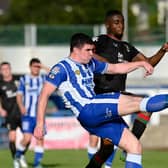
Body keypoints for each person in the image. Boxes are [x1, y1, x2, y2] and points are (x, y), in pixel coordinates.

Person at [34, 33, 168, 168]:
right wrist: (40, 124)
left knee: (134, 146)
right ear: (75, 50)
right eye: (88, 50)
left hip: (93, 116)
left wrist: (141, 63)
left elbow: (115, 68)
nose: (91, 53)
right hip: (88, 108)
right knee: (140, 102)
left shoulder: (90, 63)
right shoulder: (61, 68)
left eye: (92, 50)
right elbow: (44, 95)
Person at [87, 9, 168, 168]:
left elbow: (148, 63)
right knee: (107, 148)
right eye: (116, 22)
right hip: (101, 98)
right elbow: (86, 53)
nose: (121, 26)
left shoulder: (127, 48)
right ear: (107, 25)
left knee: (146, 106)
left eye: (122, 22)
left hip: (118, 97)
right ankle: (128, 148)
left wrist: (163, 50)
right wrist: (108, 65)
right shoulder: (99, 41)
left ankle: (128, 148)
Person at [15, 58, 49, 168]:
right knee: (27, 139)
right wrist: (21, 106)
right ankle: (17, 156)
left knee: (40, 139)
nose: (36, 68)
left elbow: (55, 74)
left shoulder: (43, 78)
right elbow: (19, 95)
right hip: (28, 115)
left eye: (38, 66)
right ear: (30, 67)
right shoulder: (24, 79)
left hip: (40, 116)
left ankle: (37, 164)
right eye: (34, 66)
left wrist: (43, 66)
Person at [0, 62, 22, 168]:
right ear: (1, 71)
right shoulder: (0, 84)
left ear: (10, 69)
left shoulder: (18, 80)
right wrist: (0, 109)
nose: (5, 71)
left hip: (22, 112)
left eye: (7, 68)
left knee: (28, 138)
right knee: (12, 138)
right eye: (3, 69)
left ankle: (20, 154)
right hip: (10, 114)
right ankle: (15, 160)